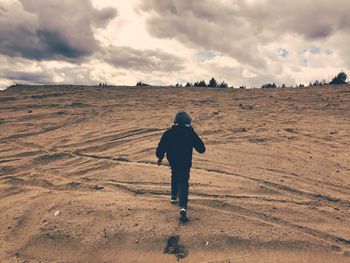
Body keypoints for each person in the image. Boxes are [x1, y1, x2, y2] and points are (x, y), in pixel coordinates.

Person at [156, 111, 206, 220]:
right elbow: (201, 149)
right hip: (185, 160)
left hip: (173, 160)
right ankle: (183, 206)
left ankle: (174, 196)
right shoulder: (190, 132)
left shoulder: (169, 132)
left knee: (174, 174)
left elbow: (161, 147)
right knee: (184, 180)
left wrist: (160, 157)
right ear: (188, 121)